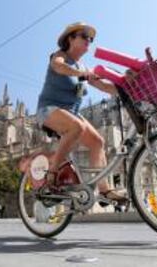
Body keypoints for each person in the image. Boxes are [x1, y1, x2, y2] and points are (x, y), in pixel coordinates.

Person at [36, 22, 127, 205]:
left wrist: (128, 87)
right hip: (49, 109)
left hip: (72, 113)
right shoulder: (60, 55)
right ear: (71, 38)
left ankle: (104, 190)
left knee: (97, 142)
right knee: (75, 127)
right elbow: (59, 66)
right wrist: (81, 73)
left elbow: (104, 87)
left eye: (91, 39)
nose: (89, 41)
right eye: (84, 36)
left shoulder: (84, 67)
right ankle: (52, 175)